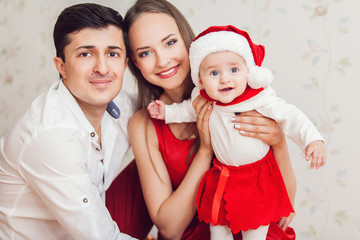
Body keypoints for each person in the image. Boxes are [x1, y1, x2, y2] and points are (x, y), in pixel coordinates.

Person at [125, 0, 297, 239]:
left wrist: (279, 142)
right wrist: (205, 151)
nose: (162, 61)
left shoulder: (238, 93)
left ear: (188, 41)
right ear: (135, 62)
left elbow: (284, 209)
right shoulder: (143, 124)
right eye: (145, 52)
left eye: (170, 43)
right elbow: (170, 227)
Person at [148, 25, 327, 239]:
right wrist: (166, 112)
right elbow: (187, 111)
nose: (225, 79)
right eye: (214, 73)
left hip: (255, 179)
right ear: (201, 80)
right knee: (218, 227)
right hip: (223, 177)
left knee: (253, 231)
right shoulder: (204, 100)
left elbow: (291, 116)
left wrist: (313, 140)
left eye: (234, 70)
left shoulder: (259, 98)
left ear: (248, 72)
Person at [0, 3, 139, 239]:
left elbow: (166, 108)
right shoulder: (52, 136)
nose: (102, 68)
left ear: (125, 63)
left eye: (112, 54)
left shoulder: (122, 105)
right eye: (86, 54)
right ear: (61, 67)